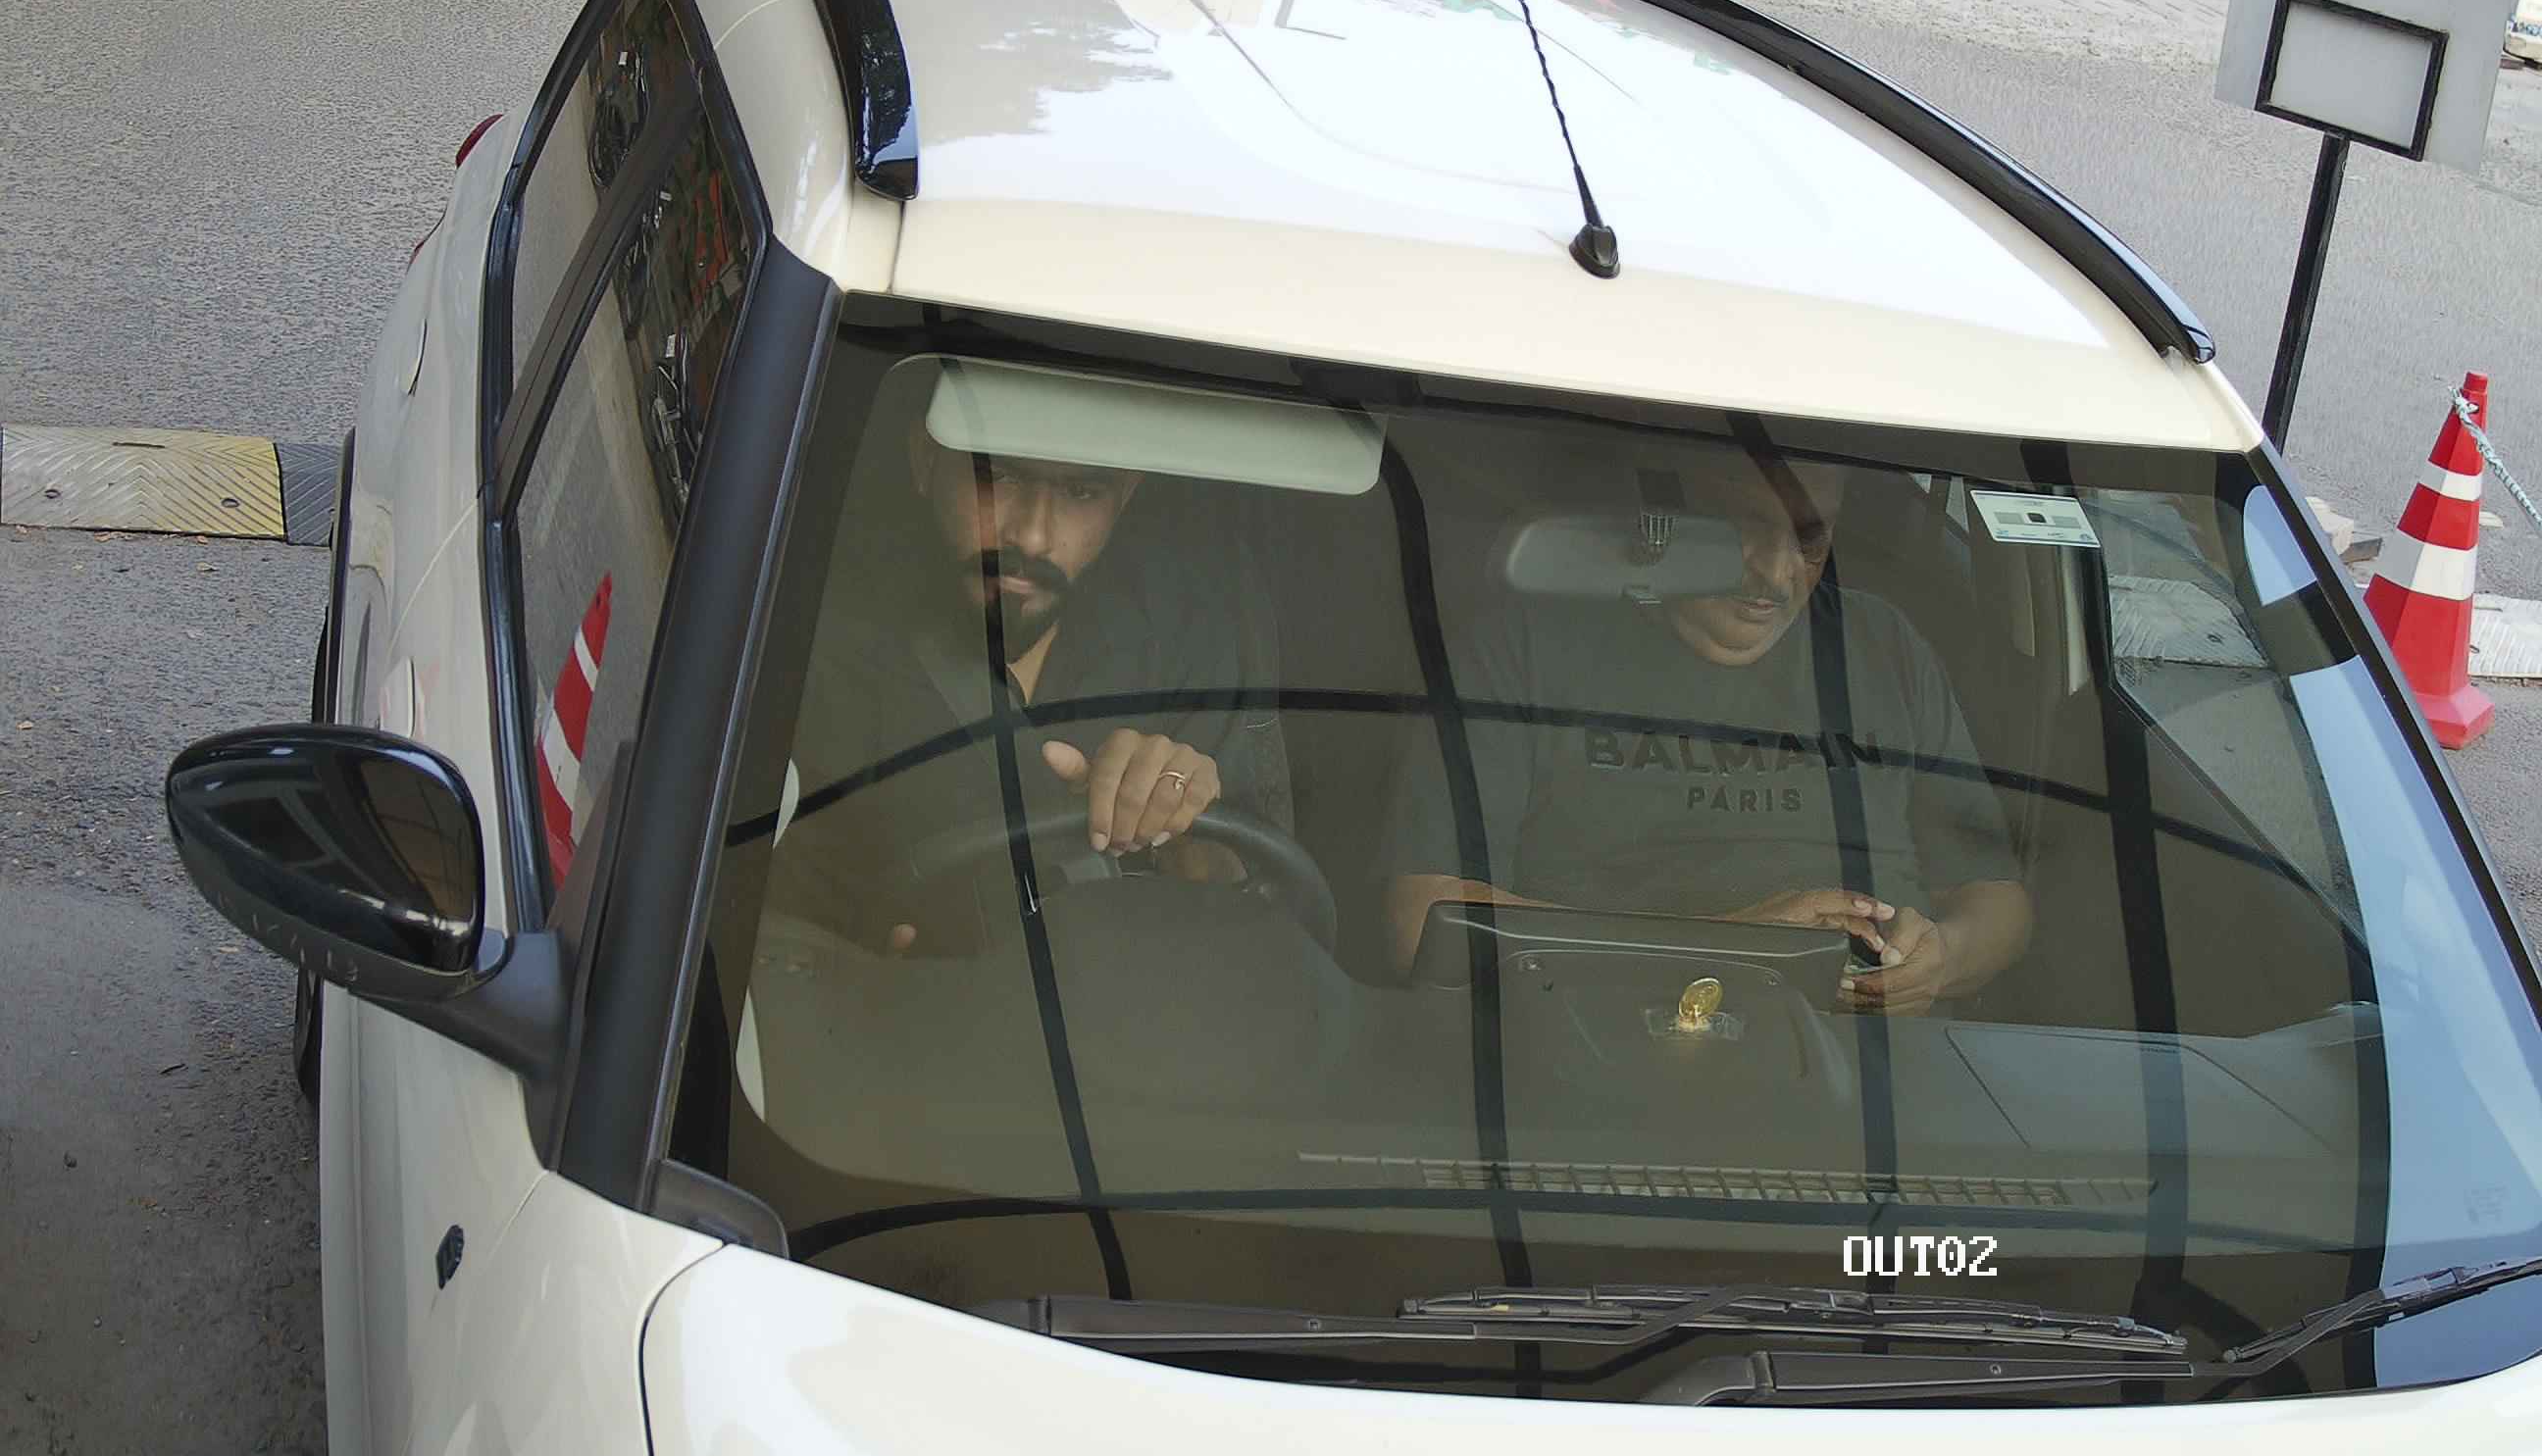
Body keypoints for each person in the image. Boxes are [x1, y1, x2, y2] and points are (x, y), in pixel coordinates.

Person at [1379, 444, 2032, 1016]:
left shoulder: (1883, 647)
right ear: (1662, 514)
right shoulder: (1527, 646)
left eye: (1810, 539)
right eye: (1740, 531)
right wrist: (1724, 947)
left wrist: (1941, 960)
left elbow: (1997, 901)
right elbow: (1420, 920)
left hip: (1889, 1085)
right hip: (1609, 1046)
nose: (1775, 574)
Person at [778, 364, 1293, 953]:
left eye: (1081, 492)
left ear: (1125, 495)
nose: (1033, 536)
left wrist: (1182, 827)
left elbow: (1255, 918)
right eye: (999, 475)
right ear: (925, 459)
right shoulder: (804, 643)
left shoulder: (1187, 627)